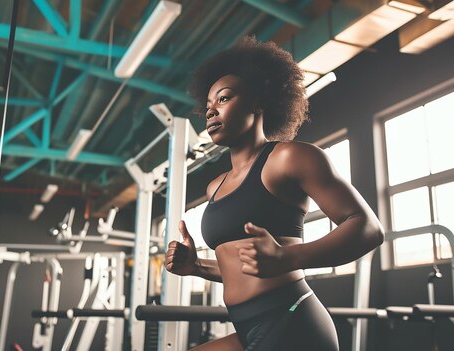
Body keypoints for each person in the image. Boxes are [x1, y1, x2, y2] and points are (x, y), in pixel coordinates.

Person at [165, 36, 384, 351]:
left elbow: (368, 228)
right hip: (248, 328)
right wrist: (196, 266)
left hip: (292, 322)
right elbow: (247, 267)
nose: (211, 112)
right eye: (209, 106)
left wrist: (287, 257)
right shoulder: (216, 185)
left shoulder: (289, 158)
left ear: (257, 102)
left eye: (224, 99)